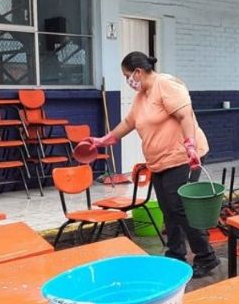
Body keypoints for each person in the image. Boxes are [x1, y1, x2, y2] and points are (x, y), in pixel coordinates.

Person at [87, 52, 219, 277]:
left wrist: (190, 146)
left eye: (127, 75)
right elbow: (129, 122)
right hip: (160, 162)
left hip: (183, 157)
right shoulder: (142, 96)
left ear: (138, 72)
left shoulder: (165, 85)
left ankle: (206, 257)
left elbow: (185, 116)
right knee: (168, 209)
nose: (128, 81)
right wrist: (105, 139)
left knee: (181, 207)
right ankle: (175, 255)